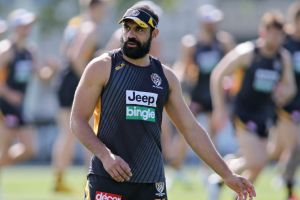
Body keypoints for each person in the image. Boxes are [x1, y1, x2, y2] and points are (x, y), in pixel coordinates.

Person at [70, 3, 256, 200]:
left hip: (152, 184)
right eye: (127, 28)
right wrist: (106, 156)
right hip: (108, 179)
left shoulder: (165, 77)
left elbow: (191, 129)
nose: (131, 34)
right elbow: (77, 120)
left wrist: (226, 174)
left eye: (139, 29)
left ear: (154, 34)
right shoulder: (102, 67)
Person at [209, 10, 296, 200]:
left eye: (279, 33)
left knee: (258, 163)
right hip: (244, 113)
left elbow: (290, 87)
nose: (275, 37)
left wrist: (283, 93)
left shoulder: (283, 58)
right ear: (263, 32)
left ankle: (225, 183)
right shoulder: (248, 52)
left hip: (265, 115)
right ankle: (220, 178)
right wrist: (220, 108)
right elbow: (218, 75)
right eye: (271, 32)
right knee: (257, 160)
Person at [169, 4, 235, 179]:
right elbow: (183, 66)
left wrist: (231, 82)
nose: (212, 25)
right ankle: (176, 167)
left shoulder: (223, 42)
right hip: (198, 94)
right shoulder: (192, 43)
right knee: (186, 129)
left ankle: (207, 171)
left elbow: (232, 65)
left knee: (213, 135)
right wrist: (177, 78)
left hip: (216, 96)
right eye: (209, 21)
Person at [51, 0, 108, 192]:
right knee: (87, 131)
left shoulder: (75, 24)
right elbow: (76, 56)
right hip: (75, 82)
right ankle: (90, 177)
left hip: (65, 80)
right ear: (96, 7)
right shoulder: (90, 27)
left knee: (67, 133)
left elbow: (65, 52)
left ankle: (59, 179)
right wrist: (90, 80)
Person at [267, 2, 300, 199]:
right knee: (295, 147)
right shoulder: (284, 43)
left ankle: (234, 165)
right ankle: (289, 192)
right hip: (285, 105)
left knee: (273, 152)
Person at [0, 9, 38, 169]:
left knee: (30, 148)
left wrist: (51, 70)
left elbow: (40, 74)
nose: (28, 28)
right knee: (4, 148)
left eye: (29, 25)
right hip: (3, 106)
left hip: (18, 107)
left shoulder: (30, 51)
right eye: (24, 25)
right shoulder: (6, 50)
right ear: (15, 27)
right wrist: (9, 94)